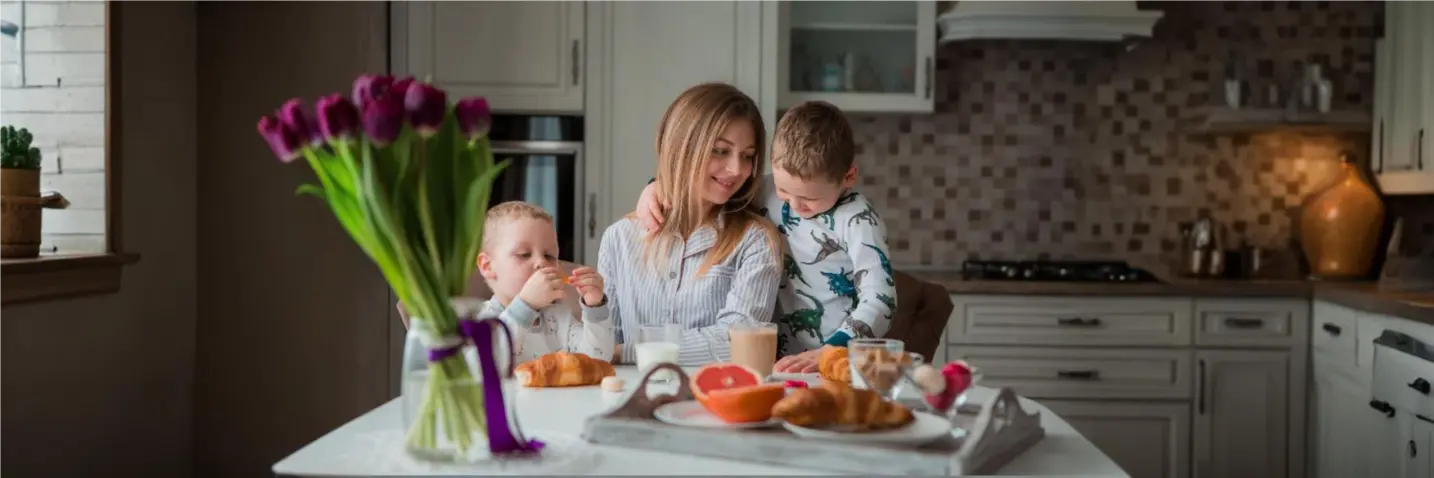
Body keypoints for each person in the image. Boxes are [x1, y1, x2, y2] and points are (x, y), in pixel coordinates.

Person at [634, 100, 895, 373]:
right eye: (785, 192)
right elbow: (706, 193)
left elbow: (880, 298)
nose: (795, 205)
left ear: (849, 177)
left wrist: (834, 349)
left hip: (839, 361)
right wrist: (657, 187)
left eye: (810, 198)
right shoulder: (767, 189)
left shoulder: (859, 219)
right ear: (773, 163)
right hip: (774, 362)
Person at [599, 82, 783, 366]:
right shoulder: (619, 239)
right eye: (721, 151)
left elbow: (737, 341)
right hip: (630, 399)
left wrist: (629, 352)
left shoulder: (756, 240)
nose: (737, 170)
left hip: (718, 402)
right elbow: (602, 340)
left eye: (747, 156)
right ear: (682, 147)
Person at [476, 200, 614, 363]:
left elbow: (597, 359)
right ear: (487, 266)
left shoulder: (560, 318)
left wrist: (594, 308)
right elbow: (484, 364)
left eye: (549, 256)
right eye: (524, 254)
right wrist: (524, 307)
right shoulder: (481, 320)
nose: (541, 262)